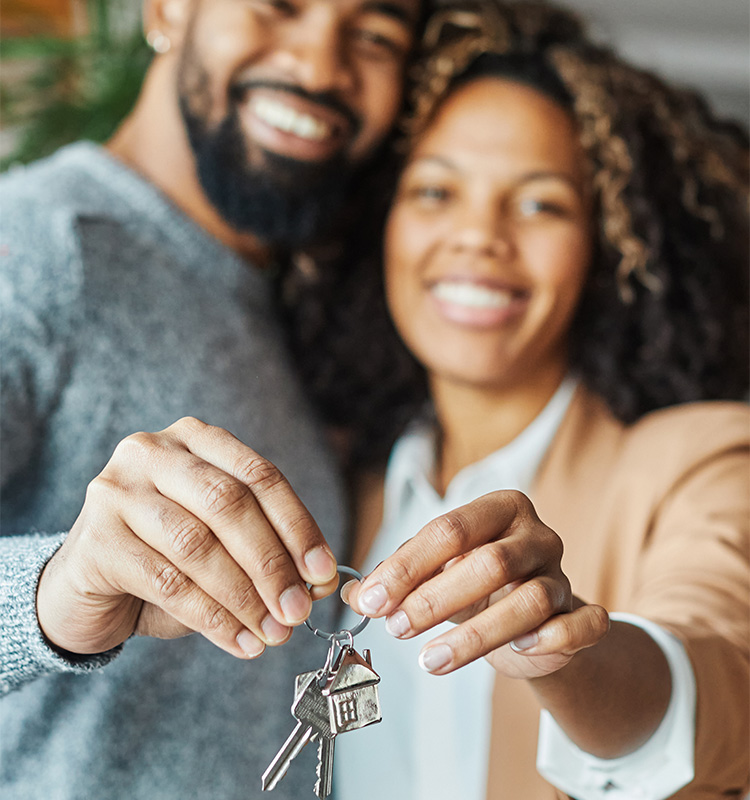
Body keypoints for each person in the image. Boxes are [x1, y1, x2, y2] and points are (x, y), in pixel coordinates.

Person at [282, 2, 750, 797]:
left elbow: (719, 675)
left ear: (607, 245)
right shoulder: (340, 484)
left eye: (540, 203)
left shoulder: (703, 459)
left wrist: (570, 653)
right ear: (380, 228)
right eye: (436, 191)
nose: (480, 236)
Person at [0, 0, 425, 797]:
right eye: (280, 6)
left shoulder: (294, 313)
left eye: (374, 34)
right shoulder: (31, 252)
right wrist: (56, 591)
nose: (321, 65)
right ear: (167, 9)